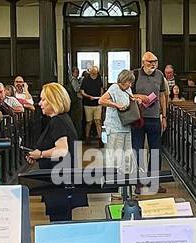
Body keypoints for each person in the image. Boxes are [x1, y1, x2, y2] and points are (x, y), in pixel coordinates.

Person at [25, 82, 85, 222]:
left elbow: (62, 151)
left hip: (59, 183)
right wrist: (38, 156)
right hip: (62, 181)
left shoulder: (57, 121)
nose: (40, 103)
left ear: (54, 101)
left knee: (59, 221)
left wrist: (40, 154)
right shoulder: (62, 119)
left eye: (44, 99)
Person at [130, 51, 168, 182]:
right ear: (143, 63)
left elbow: (163, 95)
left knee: (156, 150)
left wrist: (164, 116)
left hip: (154, 118)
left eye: (155, 62)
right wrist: (140, 97)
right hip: (138, 117)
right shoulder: (134, 74)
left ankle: (154, 181)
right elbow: (128, 94)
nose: (153, 64)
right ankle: (139, 181)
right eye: (150, 62)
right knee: (137, 149)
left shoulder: (160, 75)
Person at [99, 68, 135, 182]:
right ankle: (113, 184)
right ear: (123, 80)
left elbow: (130, 100)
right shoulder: (114, 87)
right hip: (114, 127)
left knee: (126, 157)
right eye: (128, 81)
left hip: (126, 126)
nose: (130, 84)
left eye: (131, 82)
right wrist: (116, 105)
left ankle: (125, 185)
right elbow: (101, 100)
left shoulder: (128, 89)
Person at [80, 65, 104, 140]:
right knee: (89, 122)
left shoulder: (99, 78)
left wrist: (101, 96)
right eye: (93, 73)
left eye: (95, 73)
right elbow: (82, 91)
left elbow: (101, 88)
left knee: (98, 121)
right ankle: (87, 137)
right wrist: (88, 96)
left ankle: (100, 138)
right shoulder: (85, 79)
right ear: (90, 72)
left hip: (97, 103)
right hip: (88, 104)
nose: (94, 75)